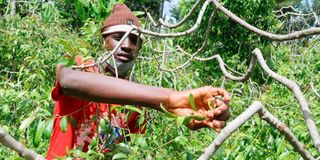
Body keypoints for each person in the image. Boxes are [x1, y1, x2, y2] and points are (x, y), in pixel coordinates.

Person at [46, 4, 231, 159]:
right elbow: (68, 81)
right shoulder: (81, 67)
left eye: (134, 40)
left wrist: (181, 112)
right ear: (104, 42)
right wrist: (170, 100)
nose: (126, 46)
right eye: (118, 38)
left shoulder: (136, 106)